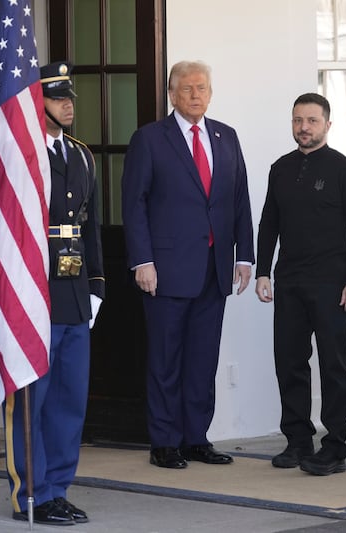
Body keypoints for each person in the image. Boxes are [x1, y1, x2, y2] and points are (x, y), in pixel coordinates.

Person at [121, 60, 255, 469]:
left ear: (210, 93)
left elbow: (239, 200)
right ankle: (164, 442)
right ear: (171, 94)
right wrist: (142, 260)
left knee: (202, 360)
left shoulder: (226, 137)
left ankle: (197, 437)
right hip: (165, 271)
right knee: (165, 360)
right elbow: (135, 204)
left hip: (215, 270)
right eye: (188, 88)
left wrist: (245, 255)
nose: (196, 95)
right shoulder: (149, 140)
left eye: (202, 88)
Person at [4, 61, 105, 526]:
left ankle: (58, 488)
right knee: (33, 400)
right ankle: (34, 492)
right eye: (58, 96)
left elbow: (91, 228)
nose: (67, 104)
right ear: (35, 102)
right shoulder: (21, 153)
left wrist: (97, 287)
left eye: (69, 97)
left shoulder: (81, 154)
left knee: (69, 399)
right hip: (33, 290)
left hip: (74, 290)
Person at [255, 93, 346, 476]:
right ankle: (297, 441)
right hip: (288, 281)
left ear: (327, 125)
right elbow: (269, 222)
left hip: (332, 284)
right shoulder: (280, 169)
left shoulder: (344, 171)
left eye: (311, 121)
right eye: (297, 120)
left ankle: (334, 446)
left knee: (334, 365)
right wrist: (262, 271)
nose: (303, 127)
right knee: (289, 362)